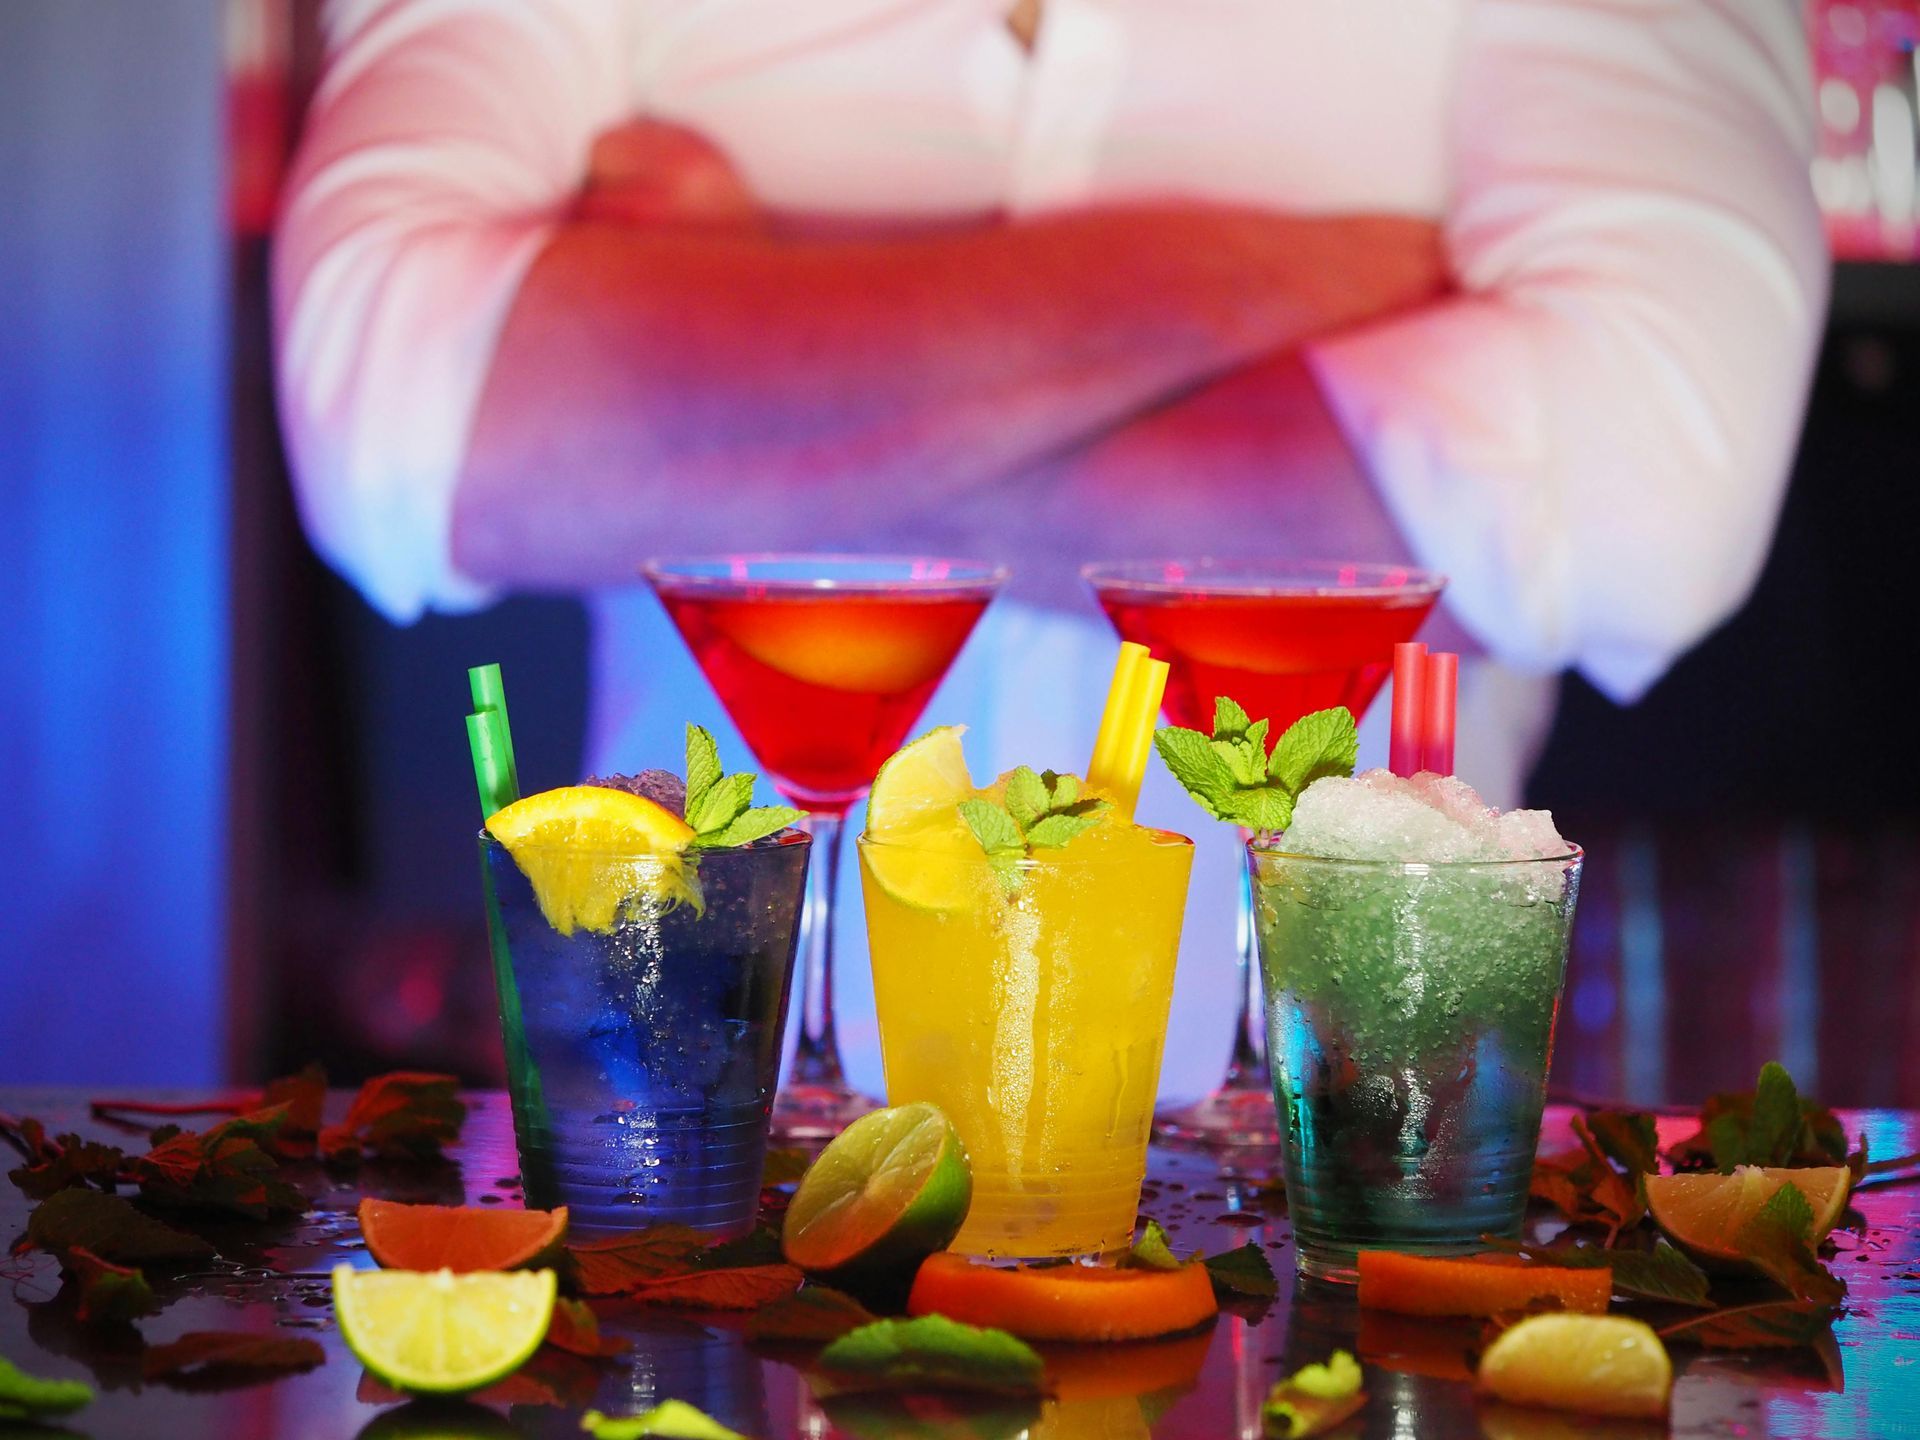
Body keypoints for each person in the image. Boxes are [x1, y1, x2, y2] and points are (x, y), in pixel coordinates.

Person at [273, 0, 1827, 1096]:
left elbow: (1644, 501)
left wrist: (741, 307)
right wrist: (1337, 287)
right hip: (697, 1141)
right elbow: (396, 420)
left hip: (1317, 1164)